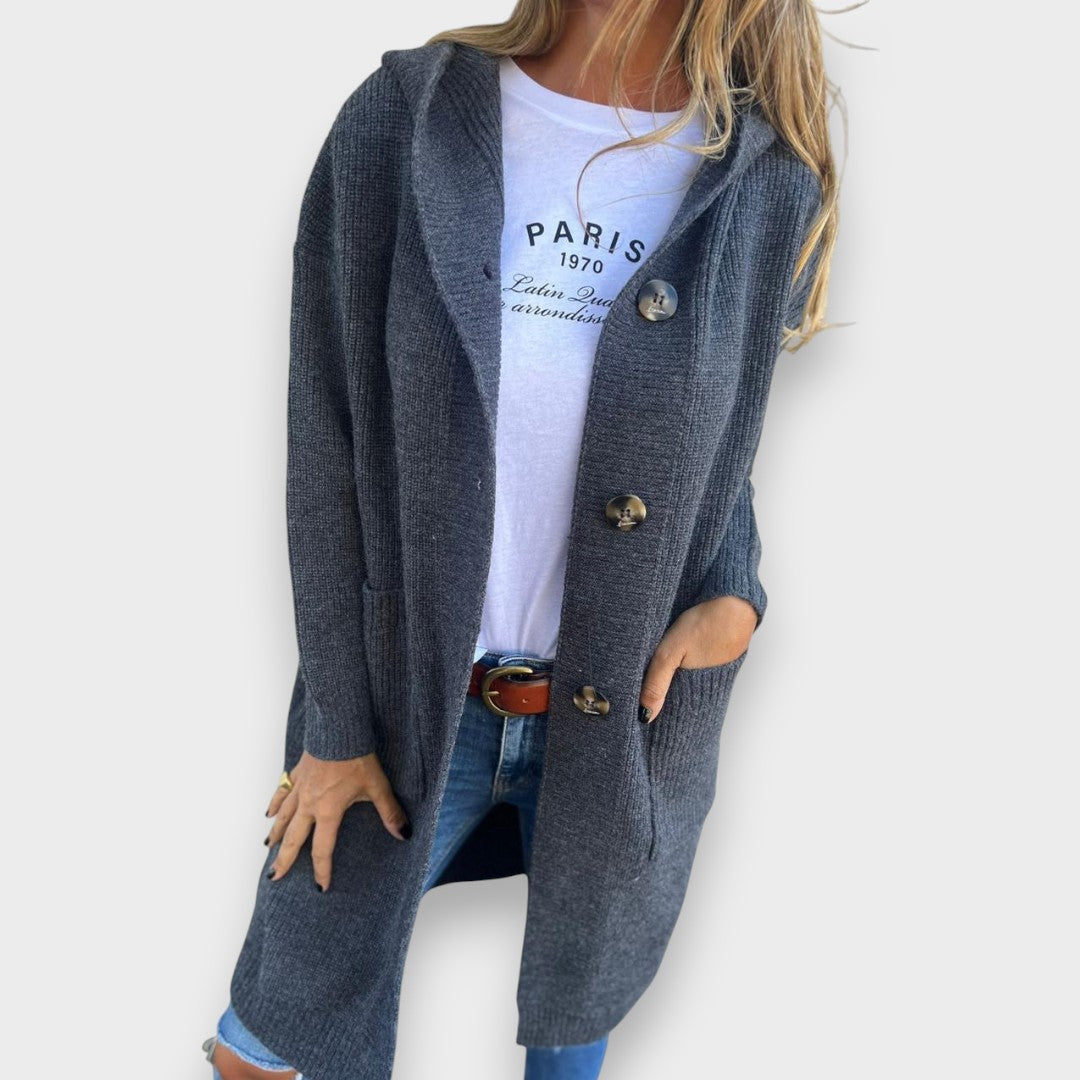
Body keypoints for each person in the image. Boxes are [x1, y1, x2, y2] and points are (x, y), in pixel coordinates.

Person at [204, 2, 838, 1078]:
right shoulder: (406, 118)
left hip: (624, 717)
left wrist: (738, 593)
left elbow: (724, 446)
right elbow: (326, 437)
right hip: (406, 709)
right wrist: (335, 727)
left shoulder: (762, 178)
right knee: (271, 1044)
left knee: (571, 1029)